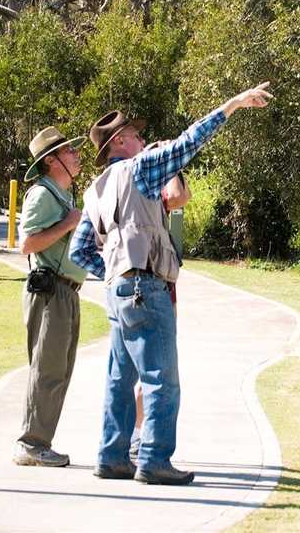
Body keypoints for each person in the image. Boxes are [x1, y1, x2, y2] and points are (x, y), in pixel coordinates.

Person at [70, 82, 272, 485]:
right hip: (147, 287)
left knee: (119, 378)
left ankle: (112, 456)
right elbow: (188, 142)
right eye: (138, 134)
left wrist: (114, 272)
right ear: (122, 140)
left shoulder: (95, 189)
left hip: (118, 292)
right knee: (162, 378)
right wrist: (233, 104)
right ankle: (155, 460)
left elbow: (80, 251)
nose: (144, 139)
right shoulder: (140, 168)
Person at [13, 126, 86, 467]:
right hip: (50, 292)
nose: (76, 155)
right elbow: (27, 244)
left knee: (59, 370)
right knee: (47, 369)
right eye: (69, 152)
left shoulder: (63, 195)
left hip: (66, 292)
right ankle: (31, 444)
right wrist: (69, 224)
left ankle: (40, 442)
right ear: (53, 161)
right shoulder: (42, 194)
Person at [130, 169, 190, 459]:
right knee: (153, 367)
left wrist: (173, 167)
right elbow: (177, 197)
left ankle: (136, 436)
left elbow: (182, 197)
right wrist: (171, 163)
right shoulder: (143, 189)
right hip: (149, 285)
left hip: (161, 284)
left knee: (149, 366)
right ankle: (139, 437)